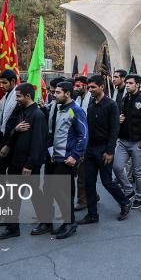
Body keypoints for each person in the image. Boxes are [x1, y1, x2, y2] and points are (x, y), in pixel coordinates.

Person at [0, 83, 48, 239]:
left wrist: (30, 164)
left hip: (27, 165)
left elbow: (38, 142)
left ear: (28, 96)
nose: (16, 99)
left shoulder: (37, 115)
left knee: (35, 194)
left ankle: (46, 222)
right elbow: (13, 130)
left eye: (18, 96)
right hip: (16, 162)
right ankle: (12, 227)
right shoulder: (22, 112)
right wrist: (13, 135)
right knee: (13, 196)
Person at [77, 75, 132, 225]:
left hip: (104, 149)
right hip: (90, 149)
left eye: (93, 87)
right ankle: (92, 214)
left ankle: (125, 202)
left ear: (102, 87)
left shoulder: (111, 105)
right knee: (89, 182)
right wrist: (83, 150)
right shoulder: (91, 104)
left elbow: (114, 130)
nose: (90, 90)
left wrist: (110, 151)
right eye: (89, 87)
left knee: (107, 181)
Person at [43, 81, 88, 239]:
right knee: (58, 192)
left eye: (57, 93)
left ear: (67, 94)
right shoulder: (61, 108)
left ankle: (70, 224)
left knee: (64, 192)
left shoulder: (76, 110)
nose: (54, 95)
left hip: (67, 159)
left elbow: (83, 135)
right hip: (57, 157)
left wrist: (75, 156)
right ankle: (66, 221)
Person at [113, 74, 141, 209]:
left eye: (130, 83)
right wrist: (119, 120)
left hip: (138, 142)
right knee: (117, 167)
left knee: (138, 171)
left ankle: (139, 196)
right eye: (127, 83)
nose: (128, 85)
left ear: (137, 85)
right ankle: (128, 189)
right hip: (123, 141)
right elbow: (122, 116)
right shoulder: (125, 99)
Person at [73, 75, 95, 212]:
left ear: (85, 86)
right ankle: (93, 196)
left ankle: (82, 200)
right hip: (78, 139)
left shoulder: (92, 100)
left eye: (78, 86)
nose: (76, 88)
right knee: (83, 172)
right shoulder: (77, 99)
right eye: (75, 86)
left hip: (89, 140)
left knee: (82, 174)